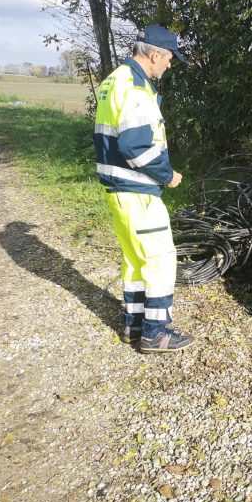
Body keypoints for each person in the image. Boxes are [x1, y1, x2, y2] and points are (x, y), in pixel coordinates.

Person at [93, 25, 194, 353]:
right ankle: (156, 332)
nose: (170, 65)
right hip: (137, 191)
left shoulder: (114, 80)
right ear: (155, 55)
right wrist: (167, 175)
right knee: (161, 259)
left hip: (119, 192)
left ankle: (133, 324)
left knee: (136, 259)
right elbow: (137, 148)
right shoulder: (136, 88)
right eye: (169, 58)